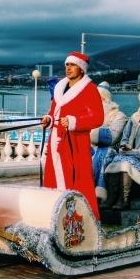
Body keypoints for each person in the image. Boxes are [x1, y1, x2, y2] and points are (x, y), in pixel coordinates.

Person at [41, 52, 104, 219]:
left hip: (75, 143)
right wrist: (49, 118)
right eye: (67, 65)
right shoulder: (60, 88)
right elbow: (55, 112)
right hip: (56, 139)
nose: (68, 68)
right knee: (53, 176)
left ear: (81, 69)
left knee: (77, 179)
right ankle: (53, 213)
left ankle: (78, 216)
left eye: (72, 65)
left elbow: (98, 117)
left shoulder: (90, 89)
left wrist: (74, 121)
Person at [90, 81, 127, 209]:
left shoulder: (119, 116)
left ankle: (99, 195)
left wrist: (88, 131)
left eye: (97, 97)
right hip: (90, 148)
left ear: (105, 98)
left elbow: (110, 138)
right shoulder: (90, 114)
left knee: (103, 154)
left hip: (111, 150)